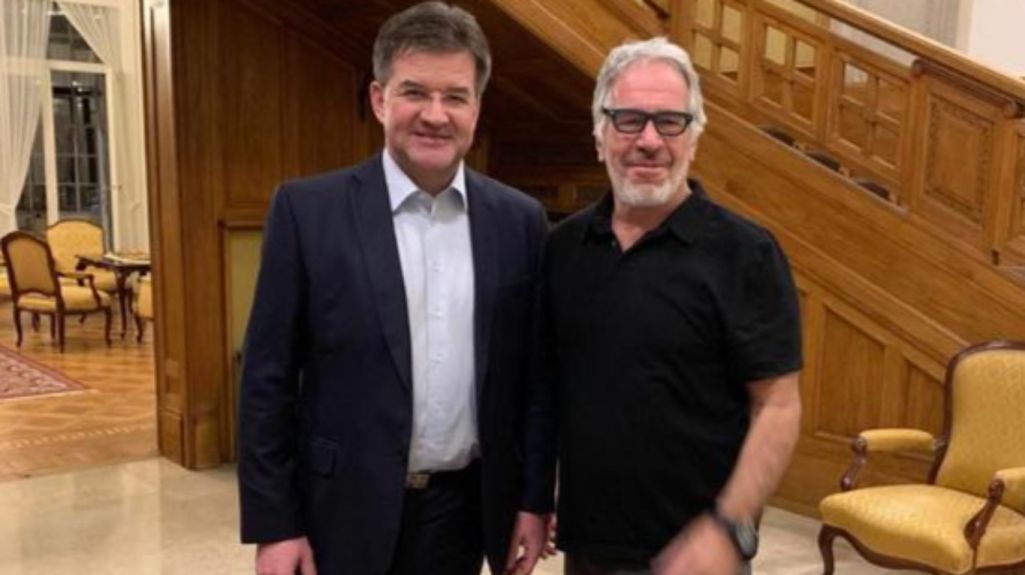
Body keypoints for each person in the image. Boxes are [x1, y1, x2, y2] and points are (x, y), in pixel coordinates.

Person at [238, 3, 552, 574]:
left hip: (464, 514)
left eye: (455, 96)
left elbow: (533, 379)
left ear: (477, 108)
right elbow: (267, 380)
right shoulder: (307, 212)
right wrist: (275, 525)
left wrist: (533, 500)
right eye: (415, 93)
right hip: (339, 511)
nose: (435, 115)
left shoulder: (520, 221)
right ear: (380, 99)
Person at [519, 37, 803, 575]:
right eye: (629, 120)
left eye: (670, 122)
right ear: (600, 135)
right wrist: (535, 499)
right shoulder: (564, 248)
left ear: (693, 138)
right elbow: (548, 388)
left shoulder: (747, 254)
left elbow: (778, 405)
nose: (649, 141)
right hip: (589, 548)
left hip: (698, 555)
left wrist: (729, 525)